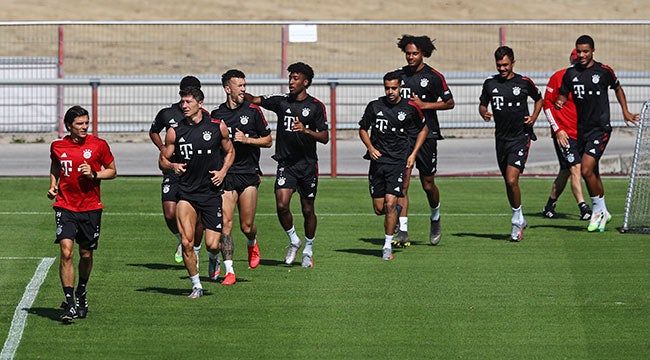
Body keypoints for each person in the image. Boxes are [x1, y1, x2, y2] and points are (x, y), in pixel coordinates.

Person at [245, 62, 329, 268]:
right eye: (290, 78)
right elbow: (255, 100)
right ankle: (294, 240)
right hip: (286, 163)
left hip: (308, 165)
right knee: (282, 205)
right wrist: (239, 93)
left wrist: (305, 131)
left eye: (295, 78)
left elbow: (325, 137)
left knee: (308, 209)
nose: (291, 82)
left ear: (305, 82)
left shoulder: (316, 106)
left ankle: (308, 249)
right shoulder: (281, 102)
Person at [555, 34, 640, 232]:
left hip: (600, 129)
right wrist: (561, 101)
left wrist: (625, 111)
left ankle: (597, 210)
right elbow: (563, 94)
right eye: (579, 51)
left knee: (585, 169)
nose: (582, 55)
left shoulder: (603, 71)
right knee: (593, 173)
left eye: (586, 51)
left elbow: (618, 89)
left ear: (593, 51)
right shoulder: (571, 74)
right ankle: (604, 212)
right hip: (582, 130)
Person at [159, 87, 234, 298]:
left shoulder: (217, 126)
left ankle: (213, 258)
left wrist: (223, 170)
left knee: (212, 244)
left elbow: (230, 151)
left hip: (211, 194)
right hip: (186, 193)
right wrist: (173, 167)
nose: (184, 106)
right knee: (186, 242)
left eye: (188, 102)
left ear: (200, 104)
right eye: (182, 102)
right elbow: (163, 159)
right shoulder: (175, 131)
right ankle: (196, 285)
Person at [48, 105, 117, 322]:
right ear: (69, 126)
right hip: (65, 206)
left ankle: (81, 291)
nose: (84, 127)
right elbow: (56, 166)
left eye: (86, 123)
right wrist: (53, 185)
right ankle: (69, 304)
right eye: (79, 124)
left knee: (86, 254)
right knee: (66, 251)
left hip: (90, 208)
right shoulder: (57, 146)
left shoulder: (99, 145)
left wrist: (94, 174)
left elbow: (113, 171)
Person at [211, 69, 272, 282]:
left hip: (248, 174)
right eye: (240, 86)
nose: (244, 90)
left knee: (246, 226)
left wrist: (247, 140)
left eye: (245, 85)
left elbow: (268, 141)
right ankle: (230, 271)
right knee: (226, 224)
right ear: (228, 89)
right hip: (227, 174)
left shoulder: (254, 111)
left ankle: (252, 242)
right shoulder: (217, 115)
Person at [359, 71, 427, 260]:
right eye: (387, 88)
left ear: (401, 88)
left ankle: (387, 246)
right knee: (379, 208)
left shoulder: (410, 108)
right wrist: (370, 147)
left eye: (394, 88)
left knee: (390, 203)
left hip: (398, 162)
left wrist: (413, 154)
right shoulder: (374, 106)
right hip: (377, 162)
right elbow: (363, 128)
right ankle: (396, 212)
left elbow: (423, 129)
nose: (390, 91)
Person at [394, 34, 454, 247]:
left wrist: (425, 106)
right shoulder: (398, 76)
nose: (410, 57)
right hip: (403, 137)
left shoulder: (434, 77)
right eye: (408, 53)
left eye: (415, 53)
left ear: (423, 54)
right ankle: (402, 230)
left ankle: (435, 217)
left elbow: (449, 103)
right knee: (402, 184)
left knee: (428, 184)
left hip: (427, 135)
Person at [479, 46, 543, 241]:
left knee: (511, 179)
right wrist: (484, 113)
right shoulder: (490, 84)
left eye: (505, 65)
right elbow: (483, 104)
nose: (502, 68)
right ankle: (520, 215)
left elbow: (539, 99)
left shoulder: (523, 82)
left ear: (513, 63)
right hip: (501, 139)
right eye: (499, 65)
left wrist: (533, 117)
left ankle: (516, 222)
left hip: (520, 137)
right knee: (508, 182)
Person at [149, 75, 204, 265]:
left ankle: (194, 250)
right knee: (170, 213)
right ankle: (181, 240)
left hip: (196, 173)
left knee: (197, 217)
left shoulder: (205, 115)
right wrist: (163, 150)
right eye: (184, 93)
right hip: (173, 170)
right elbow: (153, 130)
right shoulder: (167, 113)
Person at [542, 49, 592, 220]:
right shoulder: (559, 77)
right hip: (564, 134)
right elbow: (547, 105)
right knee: (575, 167)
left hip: (582, 134)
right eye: (576, 58)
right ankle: (583, 207)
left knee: (565, 170)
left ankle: (549, 205)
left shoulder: (587, 80)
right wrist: (557, 130)